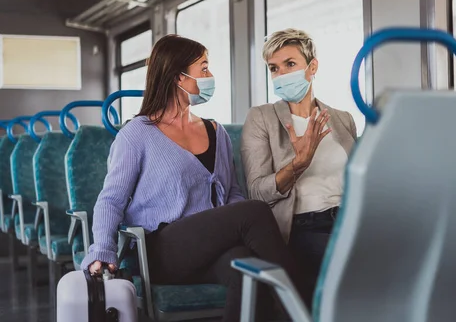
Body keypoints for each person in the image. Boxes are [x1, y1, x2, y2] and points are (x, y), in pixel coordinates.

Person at [81, 34, 302, 321]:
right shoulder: (137, 134)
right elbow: (111, 200)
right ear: (178, 77)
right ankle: (306, 310)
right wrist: (103, 249)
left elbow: (232, 194)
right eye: (204, 68)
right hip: (162, 248)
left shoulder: (215, 131)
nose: (210, 76)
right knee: (255, 211)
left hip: (211, 246)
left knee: (249, 270)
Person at [241, 28, 357, 299]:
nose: (281, 75)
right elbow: (257, 192)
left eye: (290, 64)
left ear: (312, 66)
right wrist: (299, 163)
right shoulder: (261, 118)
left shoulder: (342, 119)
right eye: (274, 68)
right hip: (305, 226)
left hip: (349, 221)